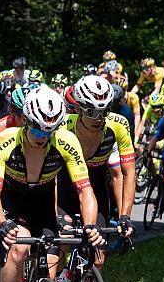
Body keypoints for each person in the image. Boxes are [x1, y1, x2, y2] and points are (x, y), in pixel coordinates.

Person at [0, 86, 103, 282]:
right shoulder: (5, 139)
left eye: (49, 131)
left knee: (51, 266)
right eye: (37, 129)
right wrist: (0, 223)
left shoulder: (65, 141)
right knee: (18, 247)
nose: (42, 136)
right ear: (25, 120)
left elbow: (85, 191)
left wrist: (91, 225)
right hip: (12, 202)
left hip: (44, 204)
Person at [57, 75, 135, 270]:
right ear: (78, 108)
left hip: (96, 189)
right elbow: (48, 173)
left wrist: (125, 216)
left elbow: (127, 174)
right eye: (92, 111)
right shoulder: (63, 125)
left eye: (104, 110)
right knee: (60, 247)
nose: (99, 118)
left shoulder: (118, 125)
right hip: (64, 190)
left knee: (98, 255)